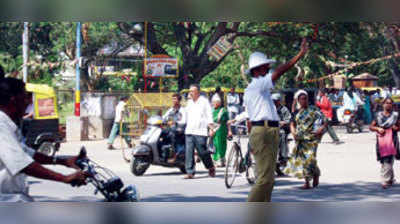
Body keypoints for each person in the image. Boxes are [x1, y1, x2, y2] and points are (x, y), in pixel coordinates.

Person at [0, 78, 89, 202]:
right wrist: (64, 178)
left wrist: (63, 161)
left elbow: (28, 153)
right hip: (6, 200)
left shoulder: (9, 125)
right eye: (25, 97)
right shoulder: (1, 125)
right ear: (13, 100)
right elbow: (22, 164)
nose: (28, 102)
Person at [244, 38, 308, 202]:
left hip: (264, 130)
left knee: (269, 179)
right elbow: (281, 71)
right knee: (264, 179)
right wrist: (299, 55)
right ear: (257, 70)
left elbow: (249, 119)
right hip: (264, 131)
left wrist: (252, 139)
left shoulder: (255, 89)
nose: (269, 69)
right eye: (266, 67)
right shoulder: (258, 84)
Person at [284, 90, 328, 190]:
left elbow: (325, 120)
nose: (304, 101)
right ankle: (307, 182)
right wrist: (293, 132)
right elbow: (292, 124)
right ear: (298, 100)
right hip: (300, 139)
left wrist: (320, 130)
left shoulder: (313, 110)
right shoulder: (296, 112)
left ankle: (316, 174)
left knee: (310, 159)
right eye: (302, 99)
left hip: (312, 139)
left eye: (306, 99)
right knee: (304, 161)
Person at [183, 84, 216, 179]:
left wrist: (211, 128)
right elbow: (185, 115)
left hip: (200, 131)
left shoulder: (204, 102)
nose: (190, 93)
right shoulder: (189, 103)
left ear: (198, 92)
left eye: (192, 91)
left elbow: (209, 115)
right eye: (190, 91)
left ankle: (210, 166)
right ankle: (190, 172)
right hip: (189, 130)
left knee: (202, 152)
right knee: (189, 152)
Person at [369, 97, 400, 189]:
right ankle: (390, 178)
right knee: (384, 159)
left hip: (392, 138)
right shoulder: (378, 115)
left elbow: (399, 126)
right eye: (386, 103)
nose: (388, 105)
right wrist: (378, 128)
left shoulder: (395, 115)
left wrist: (396, 128)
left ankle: (385, 180)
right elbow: (371, 126)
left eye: (390, 103)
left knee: (389, 159)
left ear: (392, 105)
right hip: (382, 139)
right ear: (383, 104)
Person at [162, 93, 186, 164]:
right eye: (172, 99)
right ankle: (163, 153)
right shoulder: (171, 110)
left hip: (179, 129)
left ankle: (176, 154)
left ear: (179, 100)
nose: (173, 100)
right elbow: (164, 117)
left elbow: (184, 121)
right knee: (161, 133)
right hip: (170, 129)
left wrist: (175, 122)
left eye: (175, 99)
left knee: (173, 135)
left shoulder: (182, 110)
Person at [271, 93, 292, 176]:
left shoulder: (284, 109)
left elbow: (288, 120)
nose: (274, 103)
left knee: (282, 134)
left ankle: (282, 156)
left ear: (279, 101)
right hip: (269, 129)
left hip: (280, 130)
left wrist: (281, 122)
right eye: (272, 101)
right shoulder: (269, 109)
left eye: (275, 101)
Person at [210, 94, 231, 167]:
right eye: (213, 102)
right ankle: (216, 160)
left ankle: (222, 160)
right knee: (215, 145)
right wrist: (211, 130)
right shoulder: (211, 111)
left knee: (222, 145)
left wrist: (229, 131)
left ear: (219, 103)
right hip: (214, 130)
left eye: (215, 102)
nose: (213, 104)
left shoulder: (223, 110)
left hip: (222, 130)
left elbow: (228, 121)